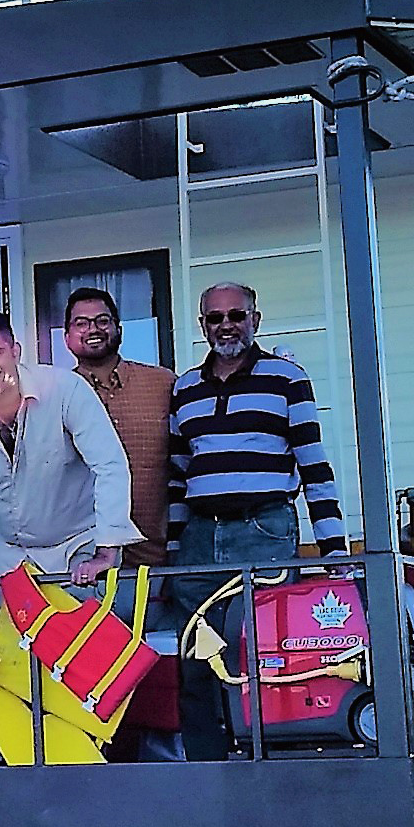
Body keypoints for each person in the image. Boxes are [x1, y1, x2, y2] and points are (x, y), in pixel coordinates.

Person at [167, 283, 349, 759]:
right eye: (215, 318)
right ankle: (206, 768)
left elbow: (314, 466)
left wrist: (334, 553)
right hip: (200, 537)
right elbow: (176, 476)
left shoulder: (287, 379)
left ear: (256, 320)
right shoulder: (185, 388)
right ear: (202, 325)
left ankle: (263, 762)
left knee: (263, 650)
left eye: (236, 315)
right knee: (195, 655)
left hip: (263, 531)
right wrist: (172, 553)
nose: (226, 325)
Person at [0, 309, 139, 586]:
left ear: (15, 352)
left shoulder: (65, 388)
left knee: (81, 630)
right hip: (5, 560)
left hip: (78, 554)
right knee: (7, 631)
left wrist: (106, 553)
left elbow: (110, 466)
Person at [61, 288, 176, 567]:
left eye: (102, 321)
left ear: (118, 329)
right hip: (80, 564)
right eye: (81, 323)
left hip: (159, 559)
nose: (93, 329)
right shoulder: (54, 396)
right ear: (66, 337)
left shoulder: (163, 385)